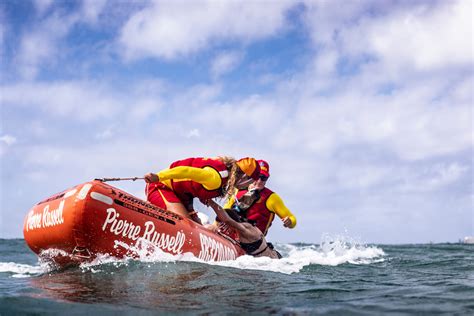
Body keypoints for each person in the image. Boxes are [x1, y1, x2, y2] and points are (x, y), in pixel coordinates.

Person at [143, 157, 260, 224]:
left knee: (196, 225)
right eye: (252, 181)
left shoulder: (225, 177)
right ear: (245, 177)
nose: (251, 185)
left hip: (180, 195)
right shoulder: (216, 178)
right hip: (160, 186)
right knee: (185, 225)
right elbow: (185, 171)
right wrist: (158, 177)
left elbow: (191, 185)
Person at [224, 159, 296, 235]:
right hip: (231, 236)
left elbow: (292, 219)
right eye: (258, 176)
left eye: (263, 178)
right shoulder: (237, 190)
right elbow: (224, 210)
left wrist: (290, 222)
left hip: (253, 241)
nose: (259, 181)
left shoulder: (272, 197)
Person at [206, 199, 281, 259]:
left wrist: (211, 202)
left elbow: (227, 220)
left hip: (274, 262)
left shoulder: (246, 229)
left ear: (231, 224)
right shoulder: (238, 228)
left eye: (223, 226)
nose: (222, 229)